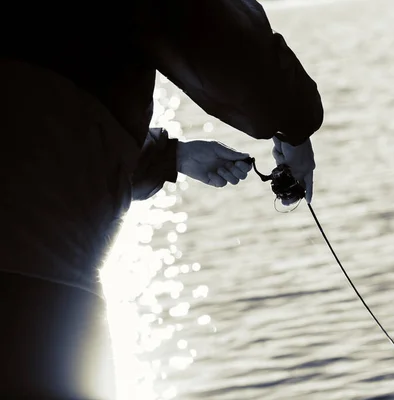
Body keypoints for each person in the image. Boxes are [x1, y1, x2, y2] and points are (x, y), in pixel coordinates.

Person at [0, 0, 323, 398]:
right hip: (32, 283)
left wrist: (172, 156)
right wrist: (293, 126)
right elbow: (219, 38)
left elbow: (33, 128)